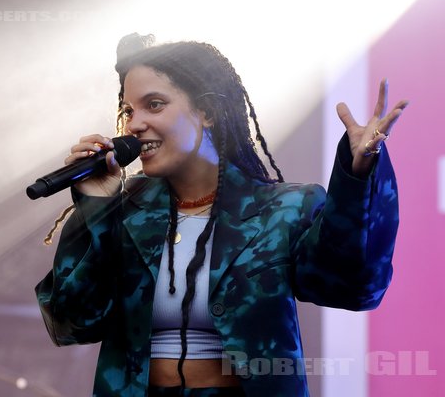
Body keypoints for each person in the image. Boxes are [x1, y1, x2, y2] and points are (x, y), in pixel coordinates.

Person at [35, 33, 408, 397]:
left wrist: (358, 175)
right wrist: (95, 208)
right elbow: (71, 323)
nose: (133, 125)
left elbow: (354, 289)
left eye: (154, 104)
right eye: (129, 111)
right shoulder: (122, 211)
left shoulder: (283, 209)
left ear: (208, 112)